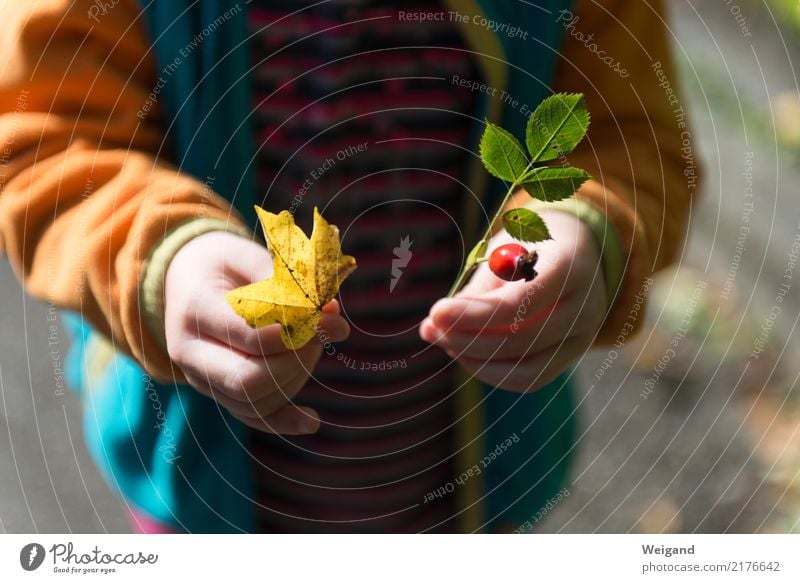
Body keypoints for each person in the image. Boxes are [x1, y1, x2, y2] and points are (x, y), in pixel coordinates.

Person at [0, 0, 696, 533]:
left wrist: (589, 228)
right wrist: (163, 256)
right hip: (204, 490)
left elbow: (632, 136)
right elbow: (46, 144)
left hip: (470, 488)